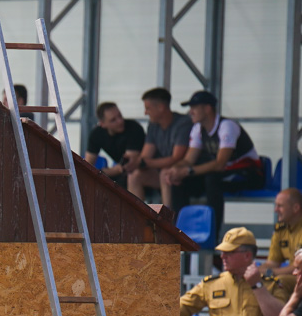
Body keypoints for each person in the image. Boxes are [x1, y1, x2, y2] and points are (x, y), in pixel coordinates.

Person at [164, 90, 265, 233]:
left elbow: (219, 164)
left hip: (249, 174)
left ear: (207, 108)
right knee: (180, 182)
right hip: (225, 174)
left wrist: (187, 171)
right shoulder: (198, 128)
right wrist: (174, 170)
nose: (190, 112)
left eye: (194, 107)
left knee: (212, 180)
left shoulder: (227, 126)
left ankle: (211, 234)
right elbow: (188, 159)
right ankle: (180, 231)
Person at [127, 88, 192, 206]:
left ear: (161, 107)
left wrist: (144, 163)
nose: (145, 113)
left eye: (148, 108)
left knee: (165, 174)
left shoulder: (183, 123)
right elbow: (146, 156)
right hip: (163, 172)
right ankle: (137, 220)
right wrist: (135, 163)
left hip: (185, 174)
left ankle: (166, 221)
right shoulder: (153, 125)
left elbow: (177, 158)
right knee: (134, 176)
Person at [83, 102, 145, 188]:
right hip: (119, 173)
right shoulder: (96, 134)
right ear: (102, 124)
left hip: (141, 170)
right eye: (113, 120)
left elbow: (128, 165)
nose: (120, 121)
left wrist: (101, 172)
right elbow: (88, 164)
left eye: (120, 116)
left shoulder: (133, 128)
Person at [260, 188, 302, 289]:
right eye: (276, 205)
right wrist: (257, 272)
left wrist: (271, 273)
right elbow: (272, 262)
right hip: (294, 276)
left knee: (279, 282)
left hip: (299, 276)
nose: (275, 210)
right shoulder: (281, 230)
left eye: (280, 206)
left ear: (296, 208)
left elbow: (300, 267)